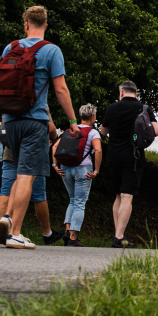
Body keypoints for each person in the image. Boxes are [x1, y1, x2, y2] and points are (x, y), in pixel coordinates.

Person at [0, 5, 74, 248]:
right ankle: (15, 231)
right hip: (34, 122)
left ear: (25, 25)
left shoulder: (10, 48)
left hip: (9, 122)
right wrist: (72, 121)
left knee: (19, 172)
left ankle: (7, 217)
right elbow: (60, 89)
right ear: (45, 25)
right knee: (28, 175)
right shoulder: (51, 50)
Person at [96, 81, 147, 248]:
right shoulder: (143, 108)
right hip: (134, 156)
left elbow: (103, 131)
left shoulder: (112, 108)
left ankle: (117, 235)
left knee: (118, 195)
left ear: (122, 92)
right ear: (136, 94)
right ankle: (119, 237)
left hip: (114, 155)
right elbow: (156, 130)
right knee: (127, 196)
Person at [58, 104, 103, 246]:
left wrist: (55, 166)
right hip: (83, 168)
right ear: (92, 117)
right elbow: (98, 150)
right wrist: (96, 170)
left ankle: (67, 231)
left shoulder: (71, 129)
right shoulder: (93, 132)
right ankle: (72, 237)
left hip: (65, 168)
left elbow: (55, 147)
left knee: (72, 200)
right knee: (79, 203)